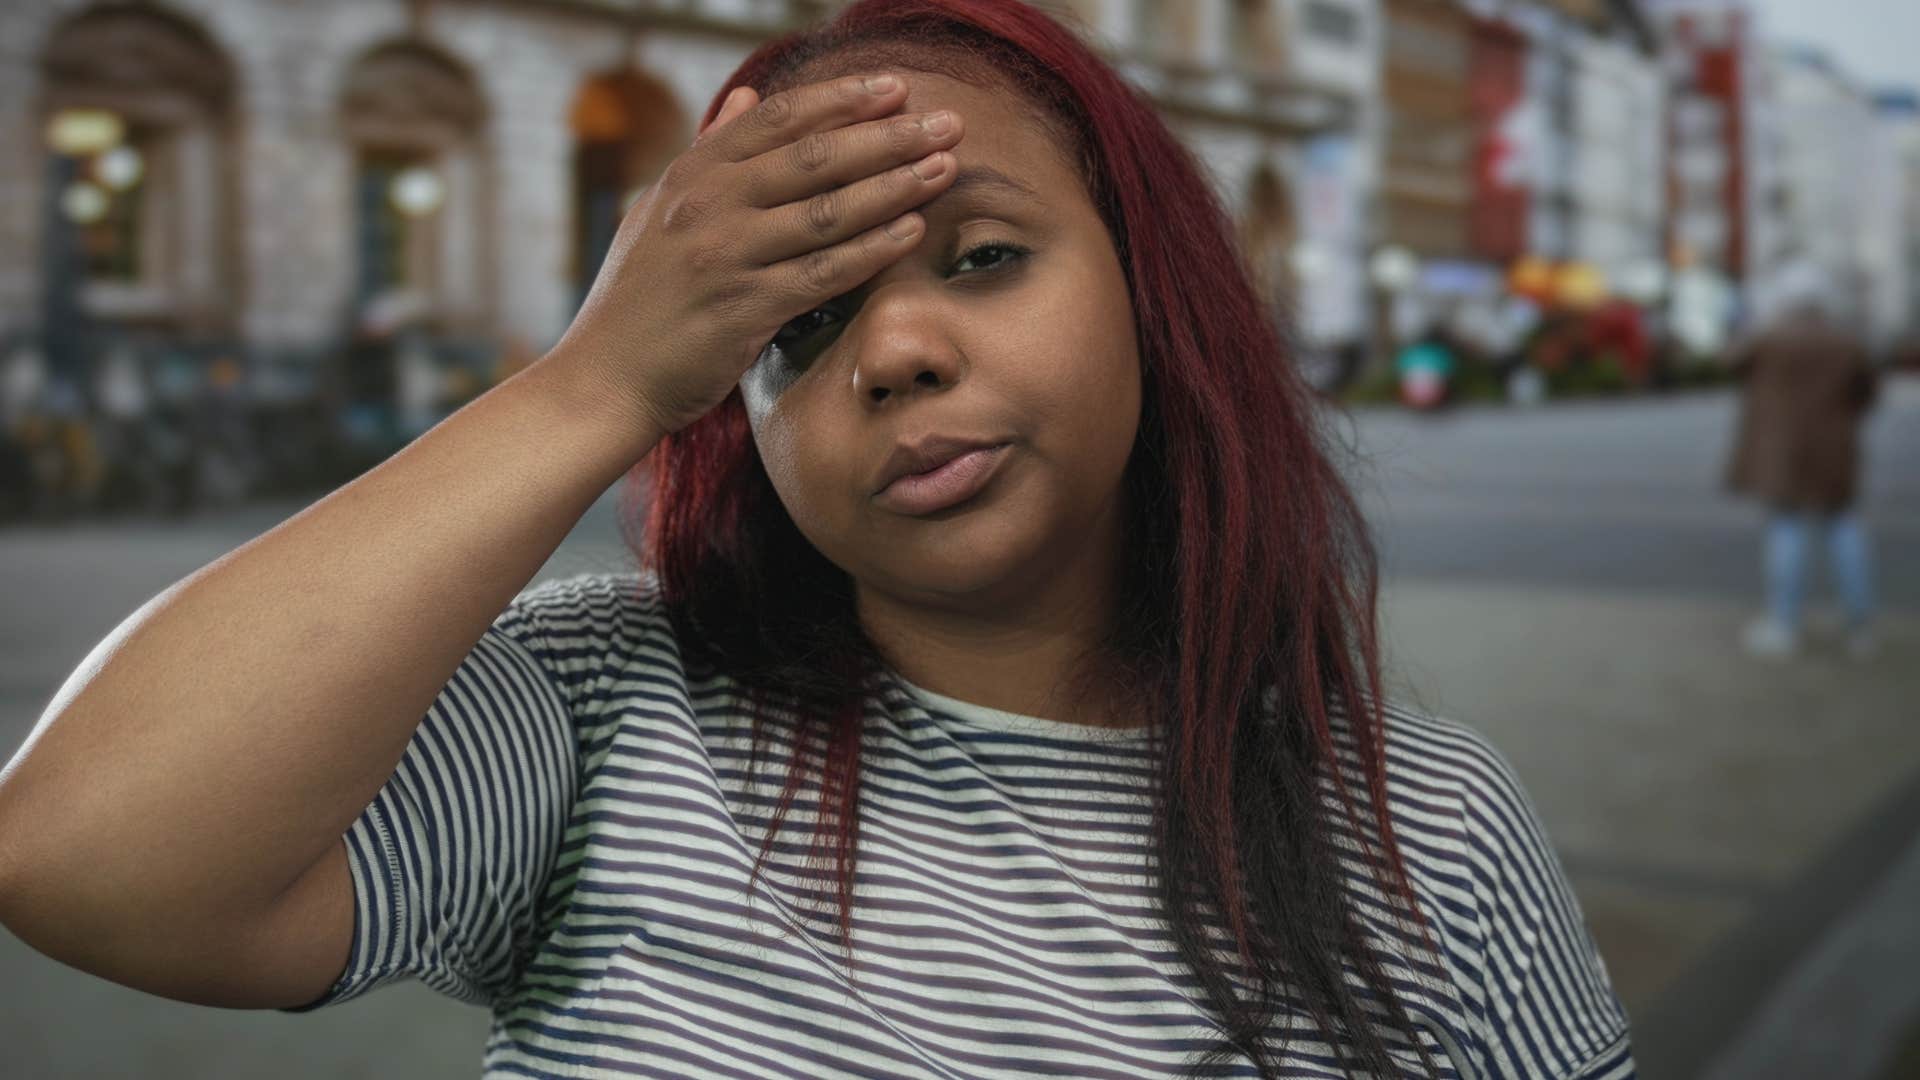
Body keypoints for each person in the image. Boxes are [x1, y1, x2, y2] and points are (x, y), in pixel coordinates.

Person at [0, 2, 1634, 1077]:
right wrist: (595, 384)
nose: (898, 352)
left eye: (983, 257)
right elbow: (86, 858)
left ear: (1156, 292)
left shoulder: (1433, 827)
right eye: (797, 323)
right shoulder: (607, 713)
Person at [1723, 286, 1881, 660]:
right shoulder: (1846, 341)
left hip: (1783, 453)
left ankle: (1784, 623)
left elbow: (1730, 361)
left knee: (1786, 530)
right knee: (1843, 529)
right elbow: (1869, 393)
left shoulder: (1770, 339)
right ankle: (1859, 626)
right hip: (1834, 449)